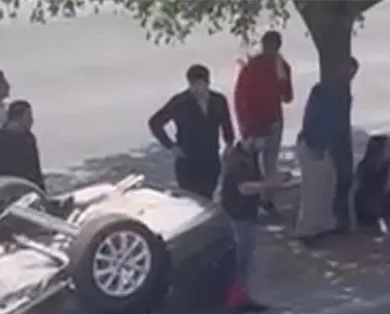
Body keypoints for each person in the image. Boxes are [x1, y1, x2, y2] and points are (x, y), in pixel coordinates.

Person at [295, 56, 359, 244]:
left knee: (325, 187)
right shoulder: (323, 91)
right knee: (313, 190)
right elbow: (312, 119)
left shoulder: (337, 92)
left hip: (324, 145)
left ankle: (321, 226)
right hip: (313, 144)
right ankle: (306, 230)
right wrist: (316, 144)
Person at [148, 64, 235, 199]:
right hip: (188, 158)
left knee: (207, 195)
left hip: (211, 156)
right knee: (190, 197)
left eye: (199, 84)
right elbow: (155, 122)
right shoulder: (180, 102)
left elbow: (226, 124)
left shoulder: (218, 101)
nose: (196, 88)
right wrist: (171, 146)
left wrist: (229, 143)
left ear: (207, 82)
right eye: (193, 84)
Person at [220, 135, 280, 314]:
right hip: (237, 215)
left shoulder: (249, 155)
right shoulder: (237, 160)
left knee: (245, 262)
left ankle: (242, 298)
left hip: (246, 213)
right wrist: (270, 184)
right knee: (239, 263)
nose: (265, 142)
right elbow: (243, 188)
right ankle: (232, 305)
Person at [233, 30, 294, 212]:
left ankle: (267, 199)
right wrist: (244, 125)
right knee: (252, 164)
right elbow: (240, 97)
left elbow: (287, 97)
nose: (270, 50)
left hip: (272, 122)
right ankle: (252, 198)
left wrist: (282, 78)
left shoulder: (281, 66)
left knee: (270, 163)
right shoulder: (252, 67)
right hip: (255, 124)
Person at [353, 135, 390, 242]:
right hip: (366, 205)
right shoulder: (369, 167)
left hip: (374, 201)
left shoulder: (383, 165)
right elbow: (366, 190)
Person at [0, 100, 45, 189]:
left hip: (28, 190)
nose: (32, 121)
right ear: (17, 118)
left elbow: (36, 170)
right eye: (28, 117)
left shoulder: (29, 138)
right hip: (6, 191)